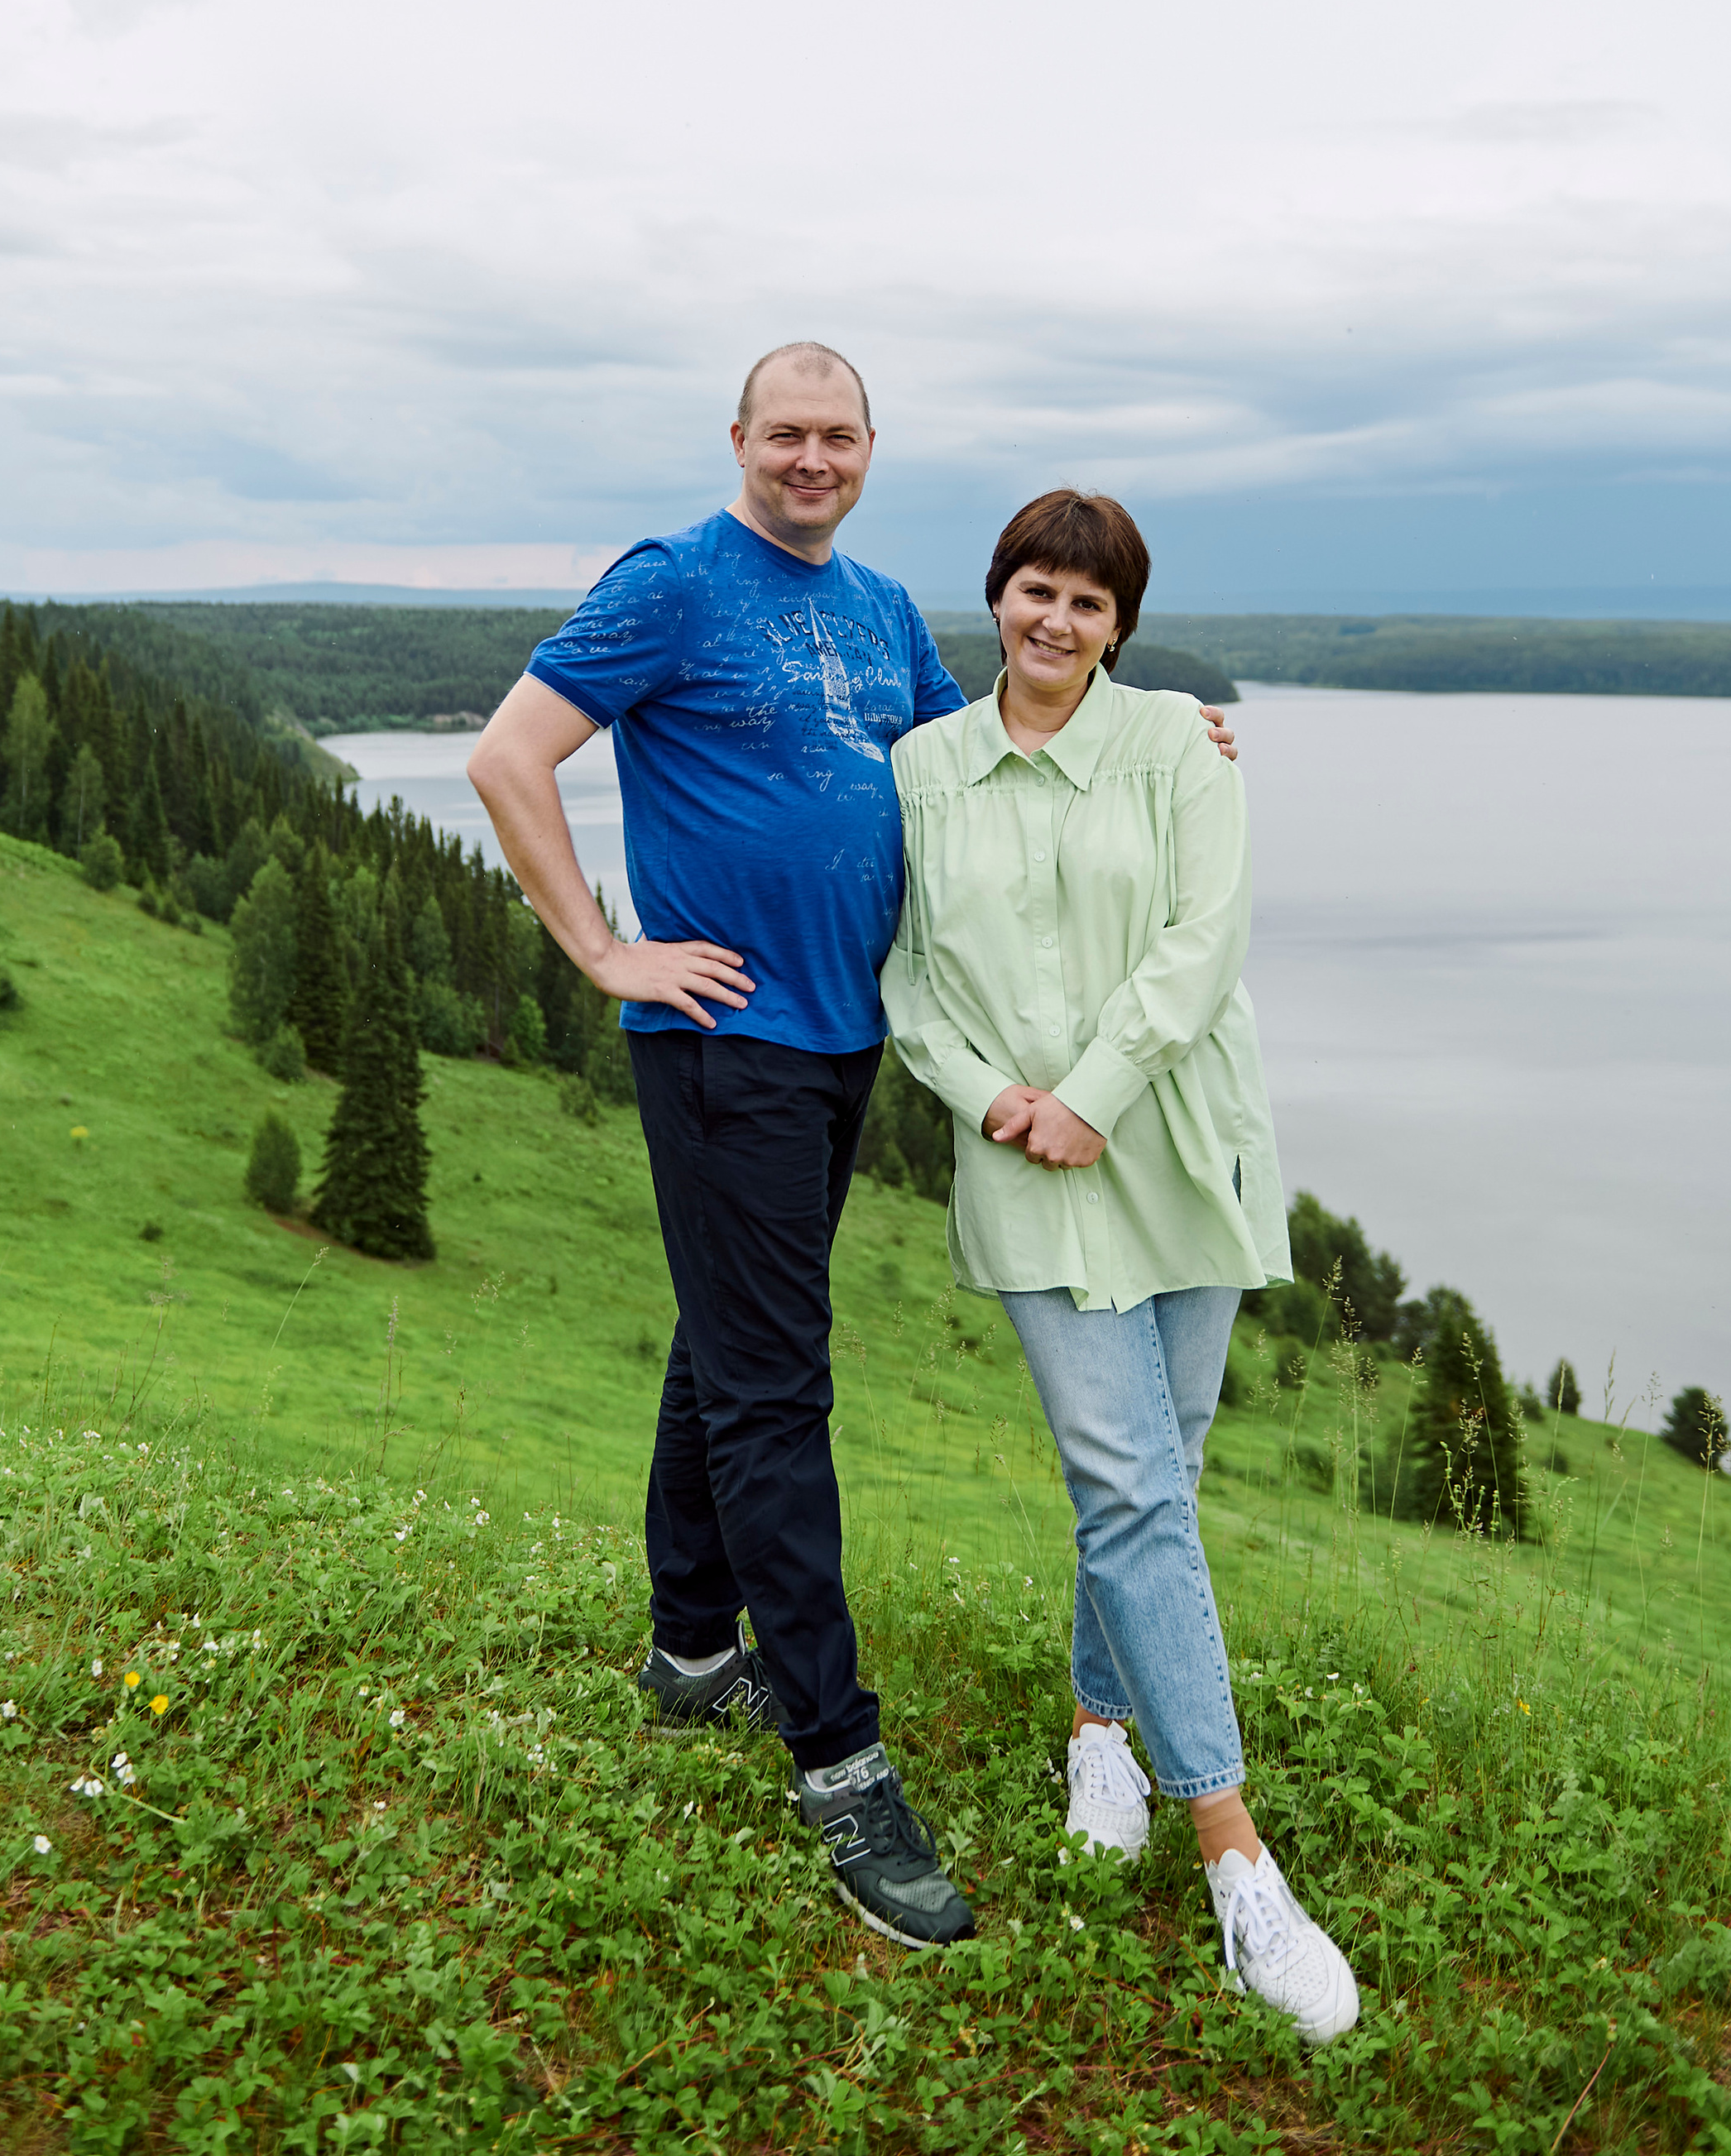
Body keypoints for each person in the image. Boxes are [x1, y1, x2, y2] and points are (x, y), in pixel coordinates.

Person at [470, 346, 1233, 1951]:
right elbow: (506, 757)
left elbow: (984, 772)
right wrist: (605, 953)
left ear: (871, 450)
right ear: (739, 439)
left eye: (837, 436)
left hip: (838, 1041)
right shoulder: (672, 583)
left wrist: (1159, 741)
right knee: (774, 1387)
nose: (809, 458)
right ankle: (834, 1755)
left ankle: (691, 1650)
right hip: (720, 1043)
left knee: (727, 1344)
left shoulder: (881, 611)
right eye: (785, 434)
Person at [880, 486, 1361, 2043]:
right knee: (1131, 1484)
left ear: (1120, 627)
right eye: (1036, 590)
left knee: (1171, 1462)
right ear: (998, 597)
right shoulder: (924, 769)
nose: (1057, 623)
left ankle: (1102, 1722)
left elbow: (1201, 942)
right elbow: (906, 971)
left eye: (1090, 604)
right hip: (1027, 1173)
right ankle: (1238, 1863)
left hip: (1174, 1152)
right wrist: (997, 1097)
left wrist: (1094, 1096)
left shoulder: (1176, 751)